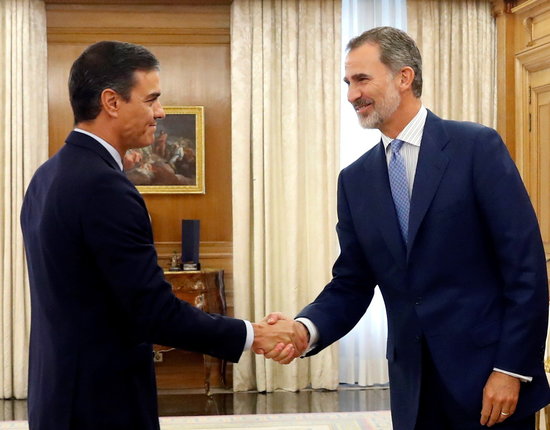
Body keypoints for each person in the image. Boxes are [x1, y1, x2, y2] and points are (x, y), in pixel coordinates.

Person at [262, 27, 550, 430]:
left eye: (362, 79)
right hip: (413, 391)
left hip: (491, 382)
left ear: (404, 77)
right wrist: (303, 328)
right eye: (348, 82)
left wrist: (512, 368)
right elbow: (352, 281)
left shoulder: (476, 148)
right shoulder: (355, 179)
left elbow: (526, 269)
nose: (351, 95)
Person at [20, 41, 306, 430]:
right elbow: (153, 313)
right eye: (151, 99)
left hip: (56, 395)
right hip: (101, 405)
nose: (161, 112)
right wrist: (252, 334)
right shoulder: (104, 186)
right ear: (112, 102)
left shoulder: (47, 175)